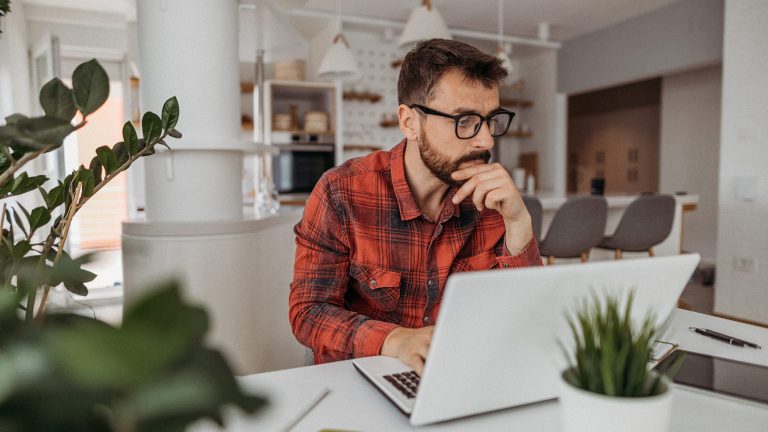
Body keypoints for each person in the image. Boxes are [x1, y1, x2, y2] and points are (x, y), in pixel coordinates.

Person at [289, 39, 541, 375]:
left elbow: (527, 317)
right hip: (359, 379)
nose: (487, 141)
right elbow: (308, 312)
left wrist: (519, 223)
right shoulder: (341, 192)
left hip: (457, 375)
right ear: (409, 122)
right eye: (465, 121)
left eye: (491, 120)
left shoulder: (490, 201)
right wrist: (396, 340)